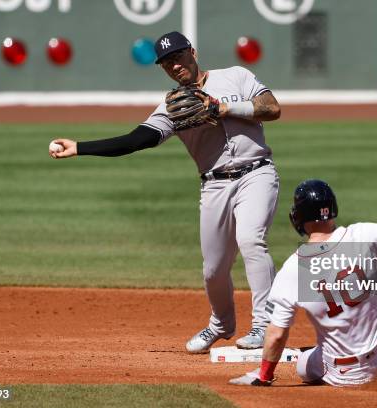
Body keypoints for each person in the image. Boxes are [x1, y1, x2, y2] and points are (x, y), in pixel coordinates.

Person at [49, 31, 281, 353]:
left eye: (178, 57)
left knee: (251, 240)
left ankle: (262, 326)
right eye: (166, 63)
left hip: (256, 173)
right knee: (213, 269)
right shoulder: (174, 106)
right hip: (214, 185)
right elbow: (134, 140)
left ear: (193, 52)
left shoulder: (235, 76)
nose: (174, 66)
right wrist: (80, 147)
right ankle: (221, 324)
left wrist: (222, 109)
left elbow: (271, 107)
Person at [229, 142, 377, 386]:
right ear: (333, 209)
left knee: (304, 367)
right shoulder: (364, 235)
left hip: (346, 375)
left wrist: (263, 376)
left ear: (299, 218)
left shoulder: (295, 269)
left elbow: (275, 335)